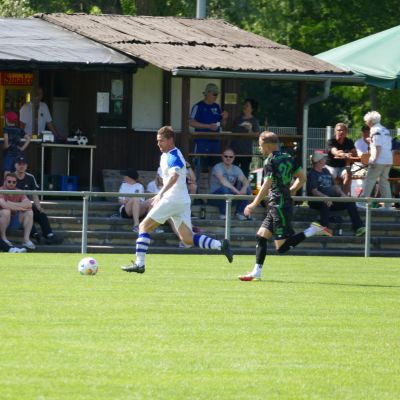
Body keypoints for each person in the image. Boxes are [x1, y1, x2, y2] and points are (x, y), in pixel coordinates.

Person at [121, 125, 233, 274]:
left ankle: (139, 264)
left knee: (143, 227)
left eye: (161, 140)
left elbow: (174, 177)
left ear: (170, 140)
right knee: (187, 239)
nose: (158, 144)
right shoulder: (165, 155)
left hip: (172, 199)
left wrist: (160, 194)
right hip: (180, 200)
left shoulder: (174, 155)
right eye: (157, 141)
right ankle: (220, 245)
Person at [238, 132, 332, 282]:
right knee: (261, 236)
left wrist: (253, 204)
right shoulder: (288, 157)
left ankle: (312, 230)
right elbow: (302, 177)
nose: (259, 149)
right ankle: (256, 272)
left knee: (281, 248)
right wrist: (292, 190)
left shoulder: (270, 161)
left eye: (260, 146)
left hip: (279, 205)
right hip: (279, 204)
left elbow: (266, 185)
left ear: (268, 146)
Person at [307, 151, 366, 236]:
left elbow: (335, 186)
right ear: (319, 161)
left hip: (331, 200)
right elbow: (314, 191)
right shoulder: (312, 174)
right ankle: (324, 228)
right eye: (323, 158)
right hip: (317, 201)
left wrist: (343, 195)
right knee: (325, 202)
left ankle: (359, 227)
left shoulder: (326, 171)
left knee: (350, 202)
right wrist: (325, 197)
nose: (325, 159)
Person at [14, 156, 63, 244]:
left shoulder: (30, 177)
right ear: (15, 165)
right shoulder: (11, 177)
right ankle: (36, 235)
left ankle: (49, 235)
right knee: (28, 213)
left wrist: (39, 207)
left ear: (26, 166)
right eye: (19, 164)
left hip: (27, 205)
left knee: (41, 213)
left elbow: (35, 195)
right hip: (14, 207)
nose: (21, 166)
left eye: (23, 164)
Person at [189, 83, 228, 172]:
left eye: (217, 94)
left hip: (215, 141)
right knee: (198, 165)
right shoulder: (198, 106)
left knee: (214, 167)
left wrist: (224, 119)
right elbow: (191, 122)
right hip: (201, 142)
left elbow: (222, 124)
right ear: (207, 93)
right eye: (214, 94)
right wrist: (208, 126)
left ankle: (212, 182)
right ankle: (196, 181)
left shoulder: (217, 107)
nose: (216, 96)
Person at [360, 111, 394, 209]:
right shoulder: (385, 130)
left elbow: (378, 146)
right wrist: (371, 141)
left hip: (379, 160)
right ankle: (388, 206)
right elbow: (385, 144)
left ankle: (362, 203)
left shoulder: (374, 130)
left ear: (371, 121)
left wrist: (374, 159)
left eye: (366, 121)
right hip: (388, 160)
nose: (366, 123)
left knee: (369, 180)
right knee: (384, 182)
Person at [209, 148, 252, 220]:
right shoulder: (217, 167)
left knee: (248, 189)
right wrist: (237, 192)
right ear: (222, 157)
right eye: (226, 156)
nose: (228, 158)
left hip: (230, 196)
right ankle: (223, 214)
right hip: (215, 198)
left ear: (234, 158)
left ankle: (240, 212)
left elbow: (245, 180)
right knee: (225, 189)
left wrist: (244, 188)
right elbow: (223, 181)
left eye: (231, 157)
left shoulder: (236, 169)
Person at [0, 172, 35, 249]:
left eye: (14, 182)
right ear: (5, 181)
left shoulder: (19, 191)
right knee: (6, 211)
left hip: (15, 220)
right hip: (3, 220)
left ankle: (26, 240)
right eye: (9, 181)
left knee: (29, 212)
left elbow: (29, 204)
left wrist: (11, 203)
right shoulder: (1, 190)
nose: (11, 183)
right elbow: (4, 205)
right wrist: (21, 207)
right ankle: (3, 239)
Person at [231, 98, 260, 178]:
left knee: (244, 174)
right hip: (234, 150)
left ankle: (244, 186)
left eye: (247, 105)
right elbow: (232, 133)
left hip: (246, 152)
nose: (244, 107)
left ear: (252, 109)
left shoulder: (254, 121)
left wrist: (249, 129)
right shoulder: (237, 119)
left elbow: (257, 136)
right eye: (244, 105)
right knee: (232, 174)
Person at [326, 123, 357, 195]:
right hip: (331, 166)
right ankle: (331, 196)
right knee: (330, 175)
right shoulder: (331, 141)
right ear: (335, 131)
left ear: (346, 132)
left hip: (343, 166)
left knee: (348, 174)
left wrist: (350, 154)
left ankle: (344, 197)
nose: (341, 132)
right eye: (339, 130)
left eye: (343, 130)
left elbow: (354, 153)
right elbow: (334, 151)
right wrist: (341, 154)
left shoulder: (349, 141)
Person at [118, 168, 151, 233]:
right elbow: (120, 200)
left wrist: (131, 199)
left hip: (138, 209)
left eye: (125, 175)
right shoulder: (123, 185)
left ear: (130, 177)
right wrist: (126, 201)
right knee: (135, 198)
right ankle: (136, 225)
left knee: (150, 202)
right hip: (126, 210)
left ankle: (150, 225)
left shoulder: (140, 186)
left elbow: (141, 201)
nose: (123, 177)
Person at [3, 111, 31, 176]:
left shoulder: (6, 128)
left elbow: (6, 138)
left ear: (7, 120)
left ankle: (6, 182)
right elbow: (28, 138)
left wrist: (6, 146)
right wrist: (22, 148)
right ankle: (16, 182)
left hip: (9, 153)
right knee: (17, 170)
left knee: (7, 170)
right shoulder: (19, 129)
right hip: (18, 153)